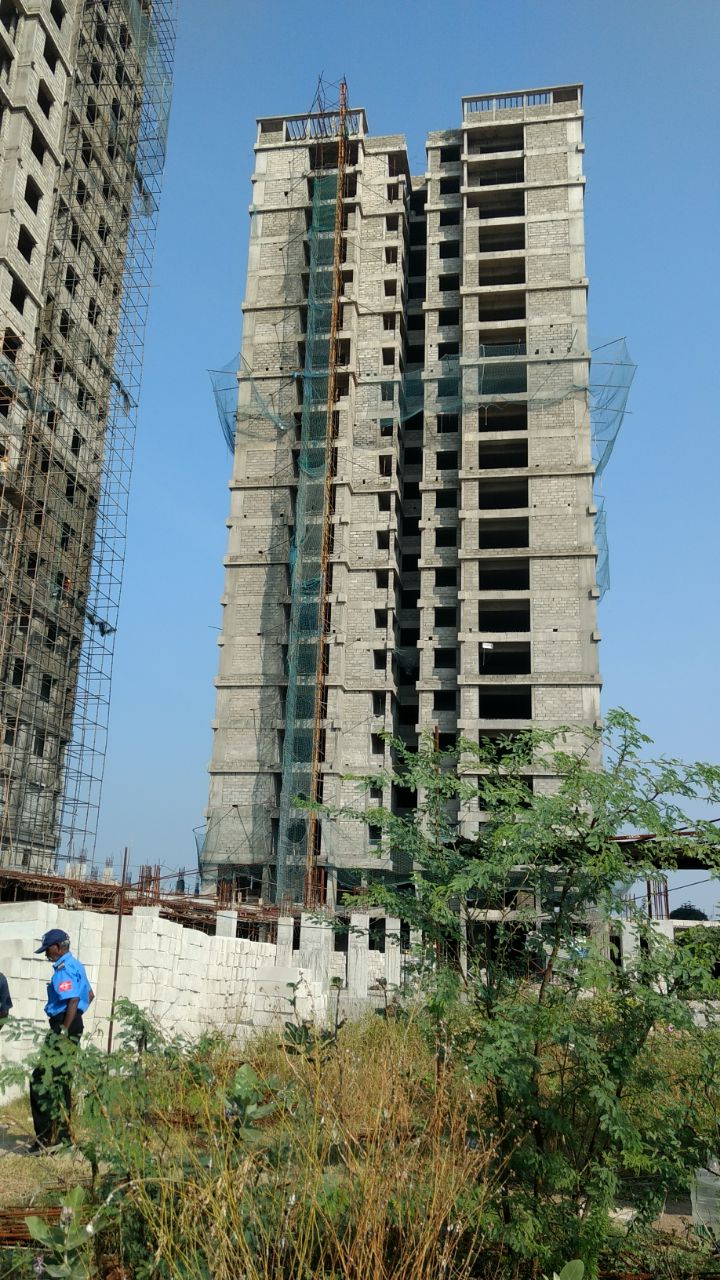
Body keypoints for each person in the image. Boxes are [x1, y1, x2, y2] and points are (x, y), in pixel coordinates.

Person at [29, 929, 94, 1151]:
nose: (46, 954)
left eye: (48, 949)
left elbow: (73, 999)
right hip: (73, 1023)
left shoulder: (63, 969)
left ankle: (46, 1139)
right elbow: (89, 995)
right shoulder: (77, 965)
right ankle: (64, 1137)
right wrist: (76, 1020)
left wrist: (64, 1031)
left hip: (63, 1025)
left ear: (58, 946)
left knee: (40, 1080)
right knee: (61, 1079)